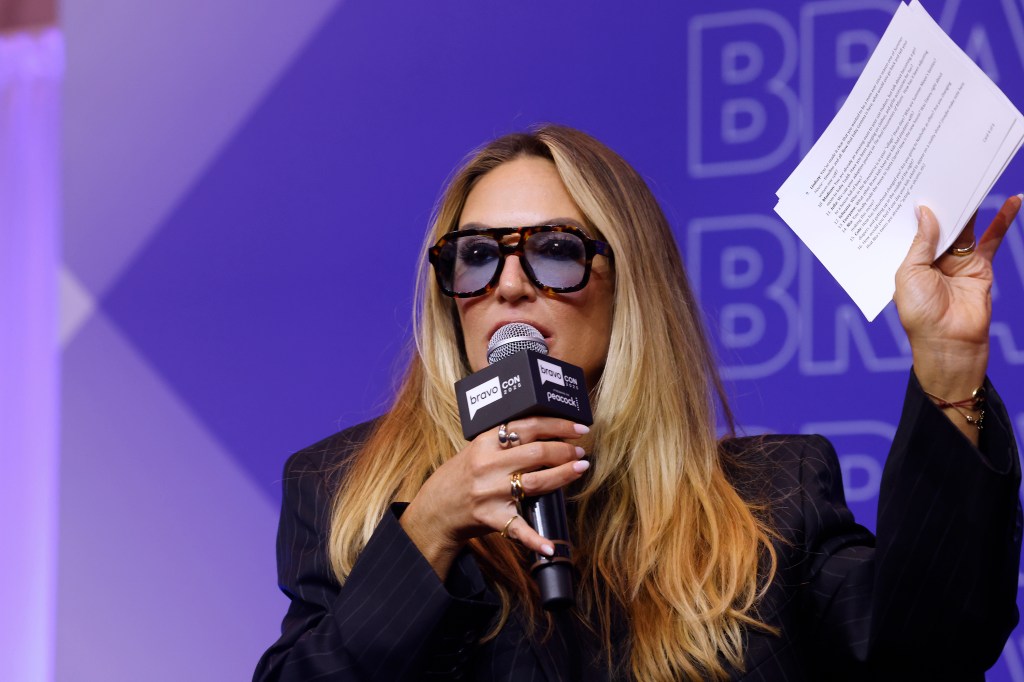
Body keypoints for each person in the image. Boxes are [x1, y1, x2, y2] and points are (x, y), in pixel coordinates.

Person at [253, 125, 1022, 681]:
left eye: (554, 251)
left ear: (631, 286)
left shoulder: (772, 500)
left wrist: (950, 367)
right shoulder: (343, 489)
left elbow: (930, 650)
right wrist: (427, 531)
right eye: (477, 256)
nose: (510, 285)